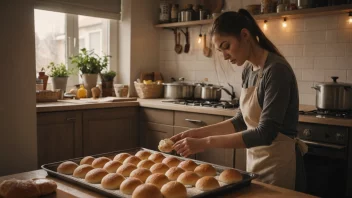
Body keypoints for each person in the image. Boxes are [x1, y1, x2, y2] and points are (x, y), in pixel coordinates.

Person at [170, 9, 307, 191]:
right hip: (256, 163)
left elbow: (266, 133)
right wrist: (196, 134)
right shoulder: (249, 70)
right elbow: (241, 121)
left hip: (280, 166)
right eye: (221, 50)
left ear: (244, 35)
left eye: (226, 46)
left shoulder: (276, 71)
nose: (225, 56)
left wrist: (205, 143)